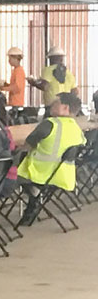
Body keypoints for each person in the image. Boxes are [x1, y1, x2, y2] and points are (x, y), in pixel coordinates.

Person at [17, 92, 87, 226]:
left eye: (56, 103)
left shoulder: (49, 124)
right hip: (64, 176)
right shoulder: (76, 128)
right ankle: (35, 197)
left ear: (65, 108)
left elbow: (27, 145)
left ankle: (35, 195)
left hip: (39, 173)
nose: (52, 105)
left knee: (11, 169)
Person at [0, 46, 27, 115]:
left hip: (16, 104)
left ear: (15, 58)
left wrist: (4, 88)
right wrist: (6, 85)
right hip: (13, 103)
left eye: (10, 58)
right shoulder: (15, 70)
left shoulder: (19, 71)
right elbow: (14, 86)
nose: (9, 61)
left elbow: (17, 88)